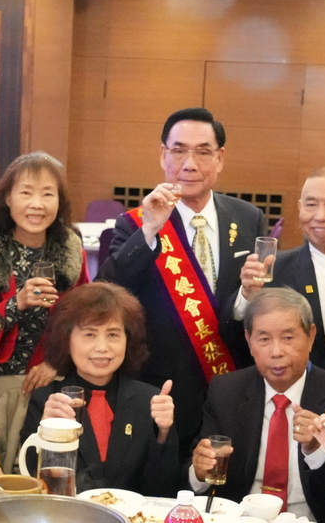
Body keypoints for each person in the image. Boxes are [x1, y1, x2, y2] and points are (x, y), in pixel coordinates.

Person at [99, 107, 267, 447]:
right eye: (179, 150)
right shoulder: (136, 222)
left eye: (203, 152)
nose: (190, 164)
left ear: (220, 158)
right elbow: (108, 290)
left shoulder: (249, 218)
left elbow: (261, 304)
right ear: (163, 155)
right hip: (160, 387)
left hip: (230, 382)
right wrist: (150, 229)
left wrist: (248, 296)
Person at [0, 151, 88, 467]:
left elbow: (84, 318)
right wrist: (16, 303)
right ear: (8, 199)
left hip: (52, 389)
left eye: (48, 194)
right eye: (26, 193)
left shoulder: (71, 250)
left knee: (49, 472)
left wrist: (57, 362)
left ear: (60, 201)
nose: (37, 204)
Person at [191, 288, 325, 523]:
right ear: (249, 341)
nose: (276, 352)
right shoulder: (226, 391)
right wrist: (199, 471)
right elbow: (200, 470)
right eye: (264, 339)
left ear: (311, 336)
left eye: (288, 338)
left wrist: (316, 450)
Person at [18, 281, 181, 494]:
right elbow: (32, 483)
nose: (102, 347)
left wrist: (163, 433)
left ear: (127, 340)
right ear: (67, 341)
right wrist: (47, 434)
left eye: (113, 334)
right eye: (90, 335)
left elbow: (165, 489)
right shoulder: (47, 400)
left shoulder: (150, 400)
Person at [246, 165, 325, 376]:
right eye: (311, 204)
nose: (320, 216)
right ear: (300, 207)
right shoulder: (274, 270)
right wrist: (246, 294)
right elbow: (242, 337)